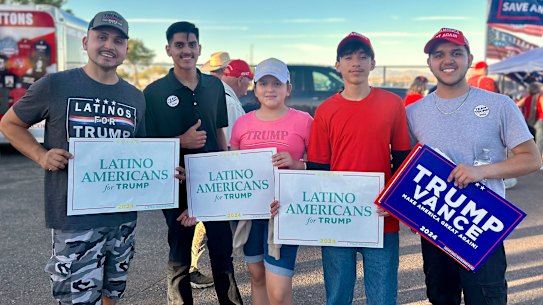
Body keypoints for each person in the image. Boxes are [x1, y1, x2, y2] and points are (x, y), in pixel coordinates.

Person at [0, 11, 146, 305]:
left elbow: (140, 151)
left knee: (112, 292)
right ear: (85, 41)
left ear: (125, 49)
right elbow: (9, 124)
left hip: (122, 217)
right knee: (76, 299)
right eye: (101, 37)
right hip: (75, 220)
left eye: (118, 40)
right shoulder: (55, 85)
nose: (109, 45)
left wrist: (163, 172)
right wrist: (41, 155)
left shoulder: (135, 97)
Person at [406, 27, 541, 305]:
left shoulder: (499, 105)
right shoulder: (413, 113)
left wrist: (481, 171)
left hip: (482, 227)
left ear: (469, 58)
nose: (448, 60)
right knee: (442, 298)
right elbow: (406, 169)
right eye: (439, 54)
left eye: (456, 53)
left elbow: (531, 158)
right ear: (429, 62)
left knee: (486, 299)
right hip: (435, 226)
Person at [307, 32, 411, 305]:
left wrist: (394, 202)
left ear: (373, 63)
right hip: (338, 216)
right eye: (349, 57)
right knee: (338, 293)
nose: (356, 62)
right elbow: (318, 169)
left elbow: (402, 161)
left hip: (381, 215)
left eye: (363, 56)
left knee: (382, 294)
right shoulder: (326, 110)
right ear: (338, 65)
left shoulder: (392, 104)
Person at [143, 21, 243, 305]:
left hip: (213, 184)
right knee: (180, 255)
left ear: (199, 48)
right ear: (168, 49)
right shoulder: (154, 92)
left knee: (223, 252)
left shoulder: (214, 86)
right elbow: (147, 147)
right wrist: (181, 142)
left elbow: (220, 132)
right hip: (177, 184)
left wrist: (226, 171)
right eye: (179, 45)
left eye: (191, 45)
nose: (186, 50)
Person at [230, 57, 312, 305]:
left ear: (288, 88)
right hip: (251, 214)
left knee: (278, 291)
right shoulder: (242, 122)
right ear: (255, 88)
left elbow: (320, 169)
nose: (270, 89)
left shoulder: (304, 121)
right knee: (256, 277)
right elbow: (232, 168)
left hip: (286, 213)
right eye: (263, 83)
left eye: (277, 83)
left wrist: (297, 164)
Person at [221, 59, 253, 145]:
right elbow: (229, 145)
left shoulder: (215, 95)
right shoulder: (230, 104)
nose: (249, 85)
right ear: (240, 80)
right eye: (249, 80)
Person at [517, 82, 542, 154]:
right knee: (539, 140)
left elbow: (517, 105)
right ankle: (538, 158)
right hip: (539, 120)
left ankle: (531, 155)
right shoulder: (540, 97)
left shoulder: (527, 98)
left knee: (530, 139)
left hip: (528, 120)